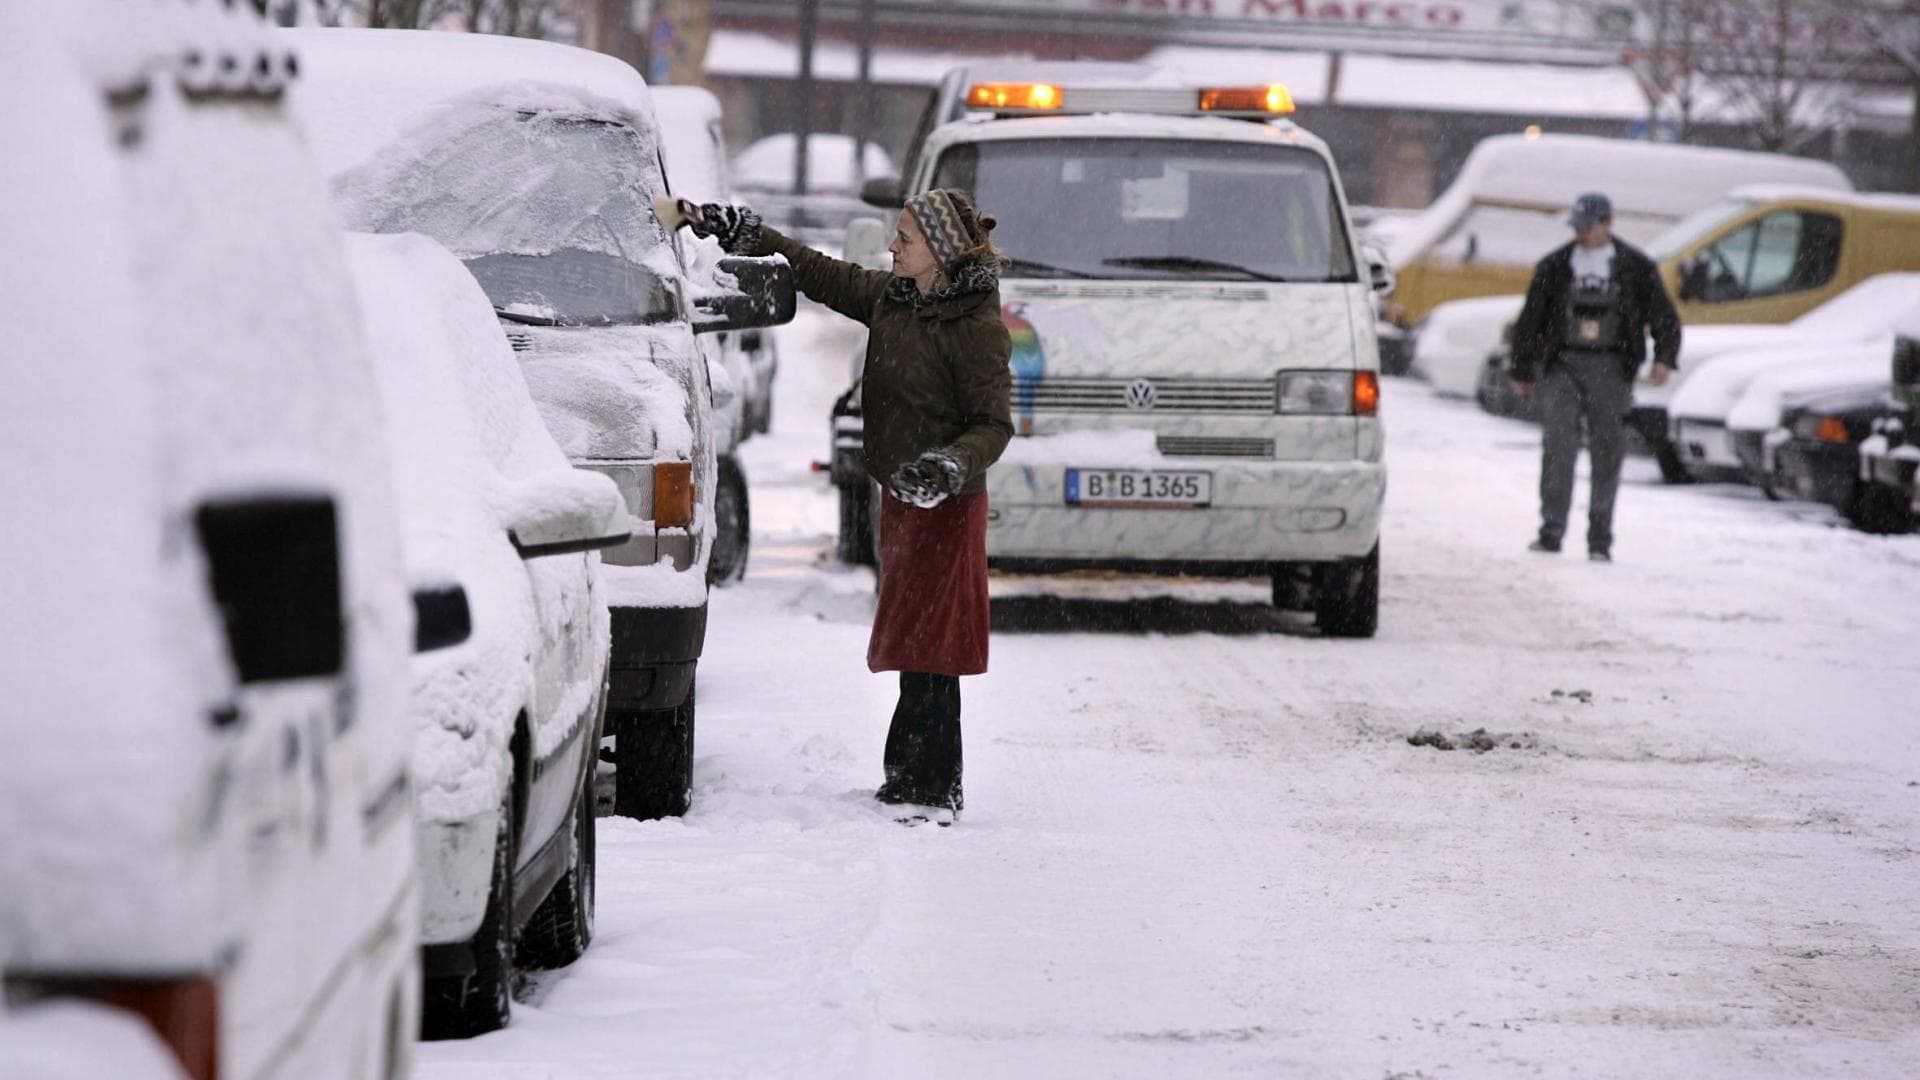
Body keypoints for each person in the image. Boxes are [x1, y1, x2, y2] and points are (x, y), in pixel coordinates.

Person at [664, 190, 1012, 827]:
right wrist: (747, 233)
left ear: (938, 250)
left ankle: (929, 786)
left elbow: (993, 425)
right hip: (903, 495)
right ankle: (914, 780)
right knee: (915, 639)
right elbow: (819, 272)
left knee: (936, 645)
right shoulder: (893, 297)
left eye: (905, 237)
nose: (892, 246)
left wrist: (949, 465)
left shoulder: (976, 326)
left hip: (947, 502)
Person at [1509, 192, 1681, 562]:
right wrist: (1522, 367)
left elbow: (1663, 316)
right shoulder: (1555, 267)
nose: (1581, 234)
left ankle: (1600, 536)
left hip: (1611, 367)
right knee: (1558, 448)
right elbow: (1530, 321)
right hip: (1563, 366)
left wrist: (1664, 357)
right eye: (1578, 227)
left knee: (1607, 451)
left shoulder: (1635, 267)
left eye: (1588, 227)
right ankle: (1551, 530)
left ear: (1608, 224)